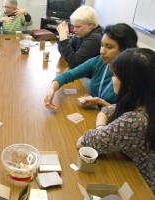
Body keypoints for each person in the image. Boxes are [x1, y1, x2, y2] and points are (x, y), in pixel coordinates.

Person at [77, 48, 155, 194]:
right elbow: (106, 111)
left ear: (130, 84)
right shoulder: (143, 101)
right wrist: (103, 130)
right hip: (131, 167)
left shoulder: (135, 120)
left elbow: (82, 143)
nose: (112, 79)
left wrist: (102, 135)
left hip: (142, 186)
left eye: (115, 75)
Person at [44, 23, 138, 110]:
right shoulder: (98, 61)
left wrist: (100, 102)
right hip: (96, 114)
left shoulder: (133, 75)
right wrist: (52, 89)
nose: (102, 51)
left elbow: (128, 116)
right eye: (102, 45)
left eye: (109, 47)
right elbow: (69, 75)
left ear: (125, 50)